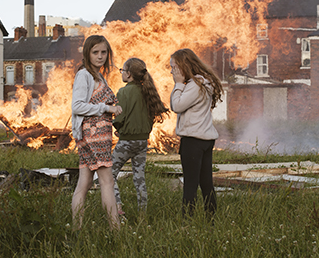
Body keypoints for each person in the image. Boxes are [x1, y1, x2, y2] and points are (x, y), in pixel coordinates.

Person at [71, 35, 122, 230]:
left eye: (103, 52)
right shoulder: (84, 75)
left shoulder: (97, 75)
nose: (100, 56)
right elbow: (77, 106)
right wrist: (106, 108)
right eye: (95, 52)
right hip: (94, 134)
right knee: (107, 181)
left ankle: (77, 229)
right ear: (87, 53)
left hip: (92, 134)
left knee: (84, 182)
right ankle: (115, 230)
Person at [169, 49, 223, 218]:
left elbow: (177, 106)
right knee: (206, 182)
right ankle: (211, 219)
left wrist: (178, 84)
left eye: (174, 68)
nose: (172, 72)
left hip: (193, 140)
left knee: (190, 184)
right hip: (205, 139)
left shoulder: (195, 85)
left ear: (183, 67)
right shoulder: (205, 82)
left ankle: (188, 220)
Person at [112, 58, 169, 213]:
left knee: (110, 175)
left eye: (122, 71)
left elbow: (119, 117)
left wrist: (119, 128)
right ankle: (142, 214)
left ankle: (117, 207)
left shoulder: (123, 92)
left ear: (129, 74)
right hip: (142, 142)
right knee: (139, 178)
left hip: (126, 142)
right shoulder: (147, 91)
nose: (121, 73)